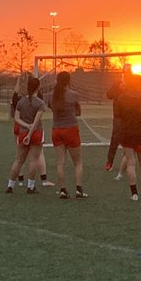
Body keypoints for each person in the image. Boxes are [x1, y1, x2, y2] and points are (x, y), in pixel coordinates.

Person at [115, 70, 141, 201]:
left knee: (131, 164)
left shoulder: (120, 98)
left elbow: (118, 117)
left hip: (127, 133)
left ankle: (134, 194)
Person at [49, 72, 87, 200]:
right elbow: (78, 112)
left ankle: (62, 190)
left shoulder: (52, 96)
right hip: (70, 129)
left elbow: (52, 108)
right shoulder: (73, 95)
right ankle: (79, 189)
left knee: (60, 162)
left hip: (57, 130)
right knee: (78, 162)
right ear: (68, 81)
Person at [11, 75, 53, 188]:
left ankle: (14, 183)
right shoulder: (39, 101)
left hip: (21, 129)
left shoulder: (20, 100)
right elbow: (36, 120)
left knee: (19, 159)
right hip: (34, 131)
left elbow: (15, 112)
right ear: (38, 87)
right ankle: (35, 183)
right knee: (35, 158)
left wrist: (19, 81)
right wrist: (30, 130)